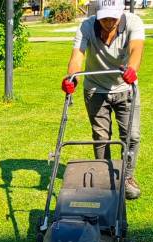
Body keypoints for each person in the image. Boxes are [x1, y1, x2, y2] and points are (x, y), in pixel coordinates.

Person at [62, 0, 145, 199]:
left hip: (125, 86)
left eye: (113, 17)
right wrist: (71, 78)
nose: (109, 22)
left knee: (131, 136)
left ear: (121, 12)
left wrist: (132, 70)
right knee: (101, 138)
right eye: (104, 17)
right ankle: (105, 179)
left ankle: (126, 177)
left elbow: (136, 50)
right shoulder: (87, 26)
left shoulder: (134, 22)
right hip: (95, 89)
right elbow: (77, 57)